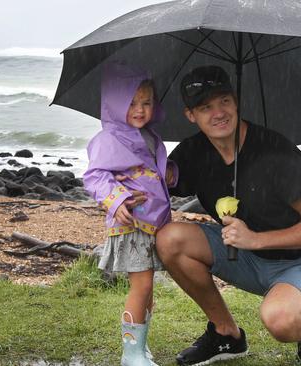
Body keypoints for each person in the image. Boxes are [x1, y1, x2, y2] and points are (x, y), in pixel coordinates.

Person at [156, 65, 301, 365]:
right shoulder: (192, 152)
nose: (218, 113)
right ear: (191, 114)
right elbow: (157, 186)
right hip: (243, 256)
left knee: (280, 321)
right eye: (205, 107)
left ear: (236, 101)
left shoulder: (277, 153)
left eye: (224, 101)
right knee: (170, 239)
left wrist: (255, 239)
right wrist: (121, 189)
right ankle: (226, 334)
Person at [83, 61, 176, 366]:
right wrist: (117, 199)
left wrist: (170, 173)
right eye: (131, 103)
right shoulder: (109, 139)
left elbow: (149, 171)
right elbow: (95, 176)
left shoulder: (150, 136)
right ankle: (131, 353)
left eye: (146, 102)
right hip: (131, 224)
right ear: (114, 105)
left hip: (154, 223)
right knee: (142, 286)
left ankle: (141, 346)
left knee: (147, 289)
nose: (140, 109)